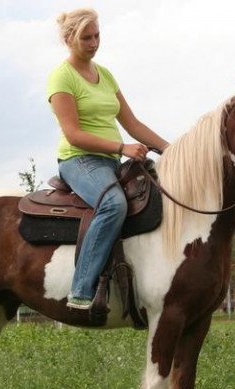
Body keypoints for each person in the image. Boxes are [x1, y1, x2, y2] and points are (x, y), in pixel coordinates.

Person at [47, 7, 169, 310]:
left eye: (97, 35)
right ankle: (81, 288)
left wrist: (172, 148)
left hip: (112, 160)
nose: (93, 43)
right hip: (79, 160)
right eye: (85, 38)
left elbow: (134, 124)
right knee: (114, 204)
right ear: (68, 39)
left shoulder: (105, 75)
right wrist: (121, 148)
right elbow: (73, 134)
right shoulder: (61, 77)